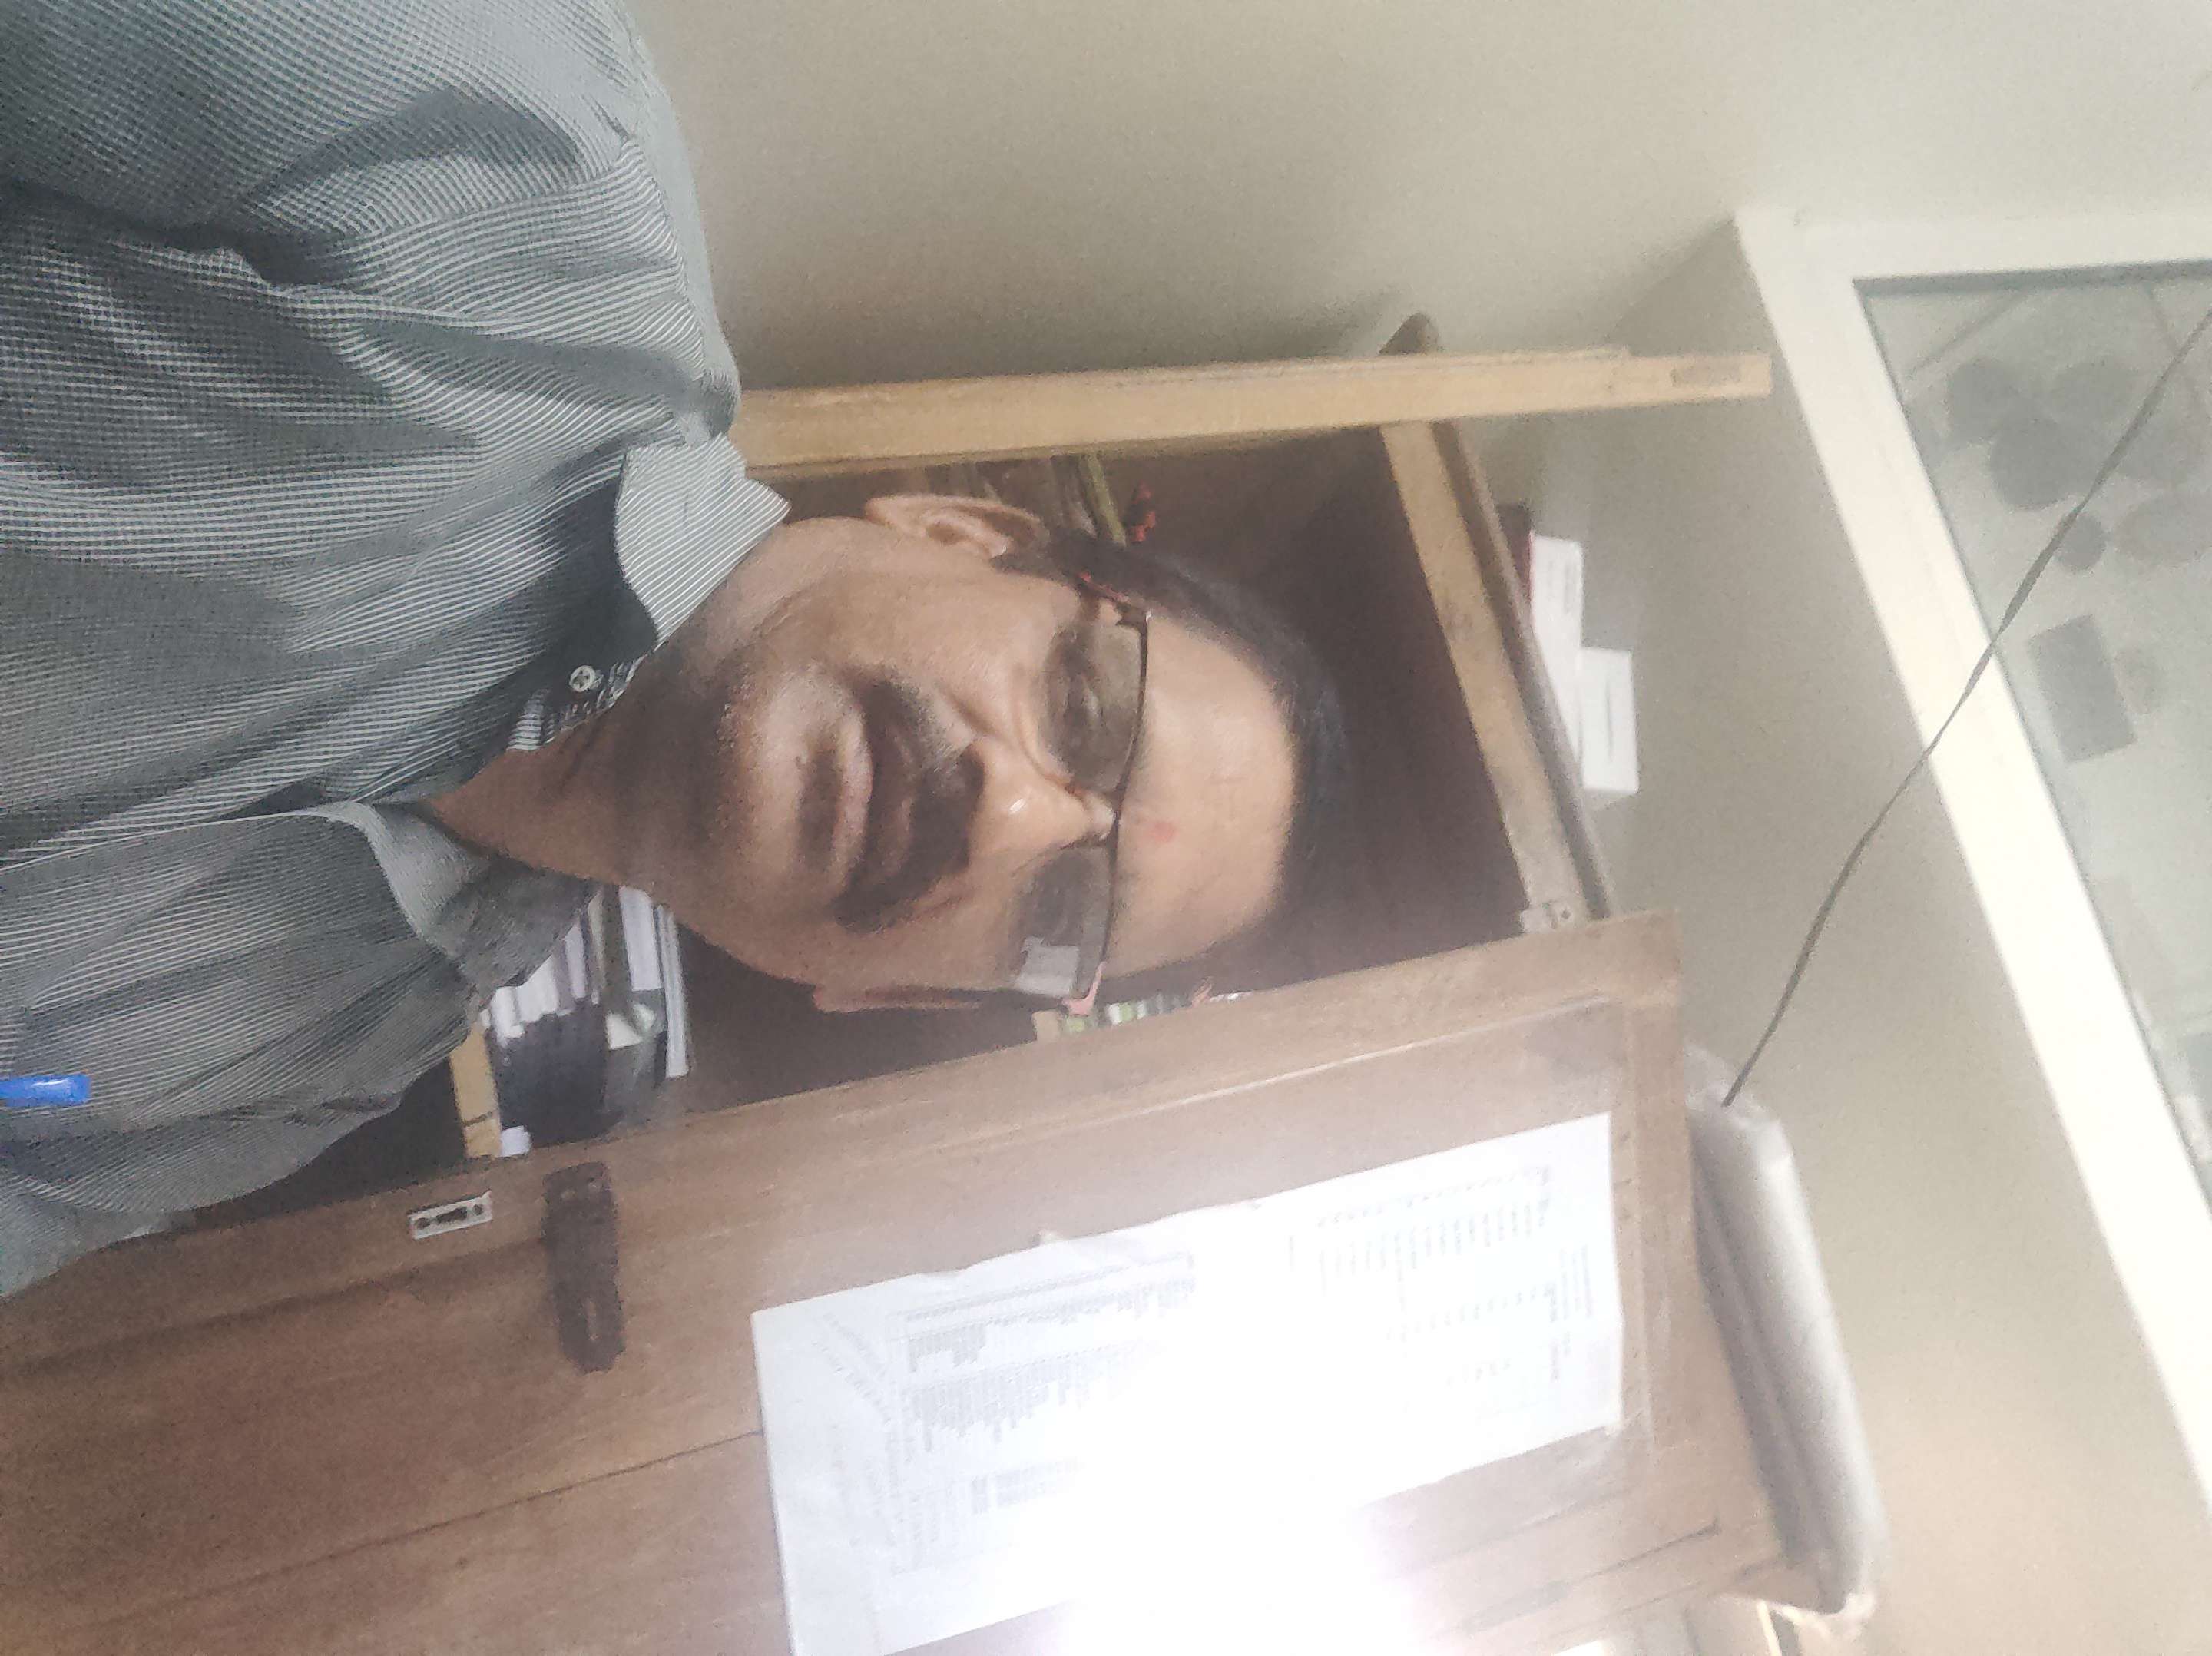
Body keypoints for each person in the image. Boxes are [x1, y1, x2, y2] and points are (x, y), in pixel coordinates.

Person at [0, 0, 1347, 1292]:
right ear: (957, 528)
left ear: (887, 998)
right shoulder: (495, 154)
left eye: (1062, 917)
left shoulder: (320, 1063)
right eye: (1085, 711)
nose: (1005, 815)